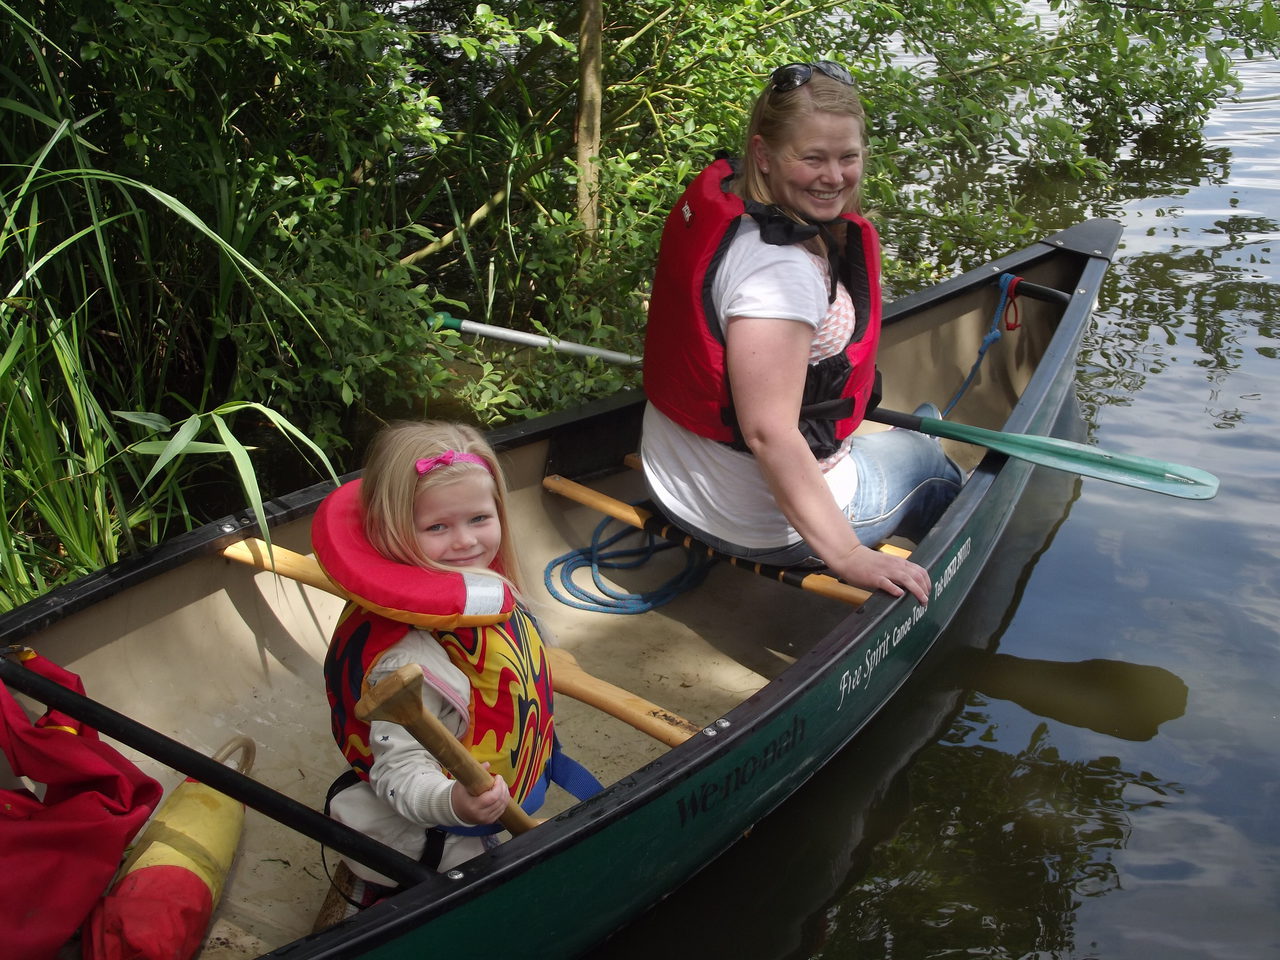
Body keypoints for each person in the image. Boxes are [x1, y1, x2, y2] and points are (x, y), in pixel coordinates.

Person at [641, 61, 961, 606]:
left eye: (847, 157)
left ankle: (919, 432)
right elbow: (769, 433)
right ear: (764, 154)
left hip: (672, 482)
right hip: (750, 521)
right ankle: (955, 575)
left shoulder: (735, 204)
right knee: (934, 466)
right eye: (812, 157)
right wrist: (847, 555)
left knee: (918, 424)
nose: (834, 176)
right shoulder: (779, 275)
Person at [314, 421, 599, 903]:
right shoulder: (405, 661)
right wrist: (457, 803)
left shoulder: (485, 593)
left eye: (480, 519)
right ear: (393, 531)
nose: (466, 542)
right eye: (437, 527)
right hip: (445, 835)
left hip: (503, 799)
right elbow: (399, 771)